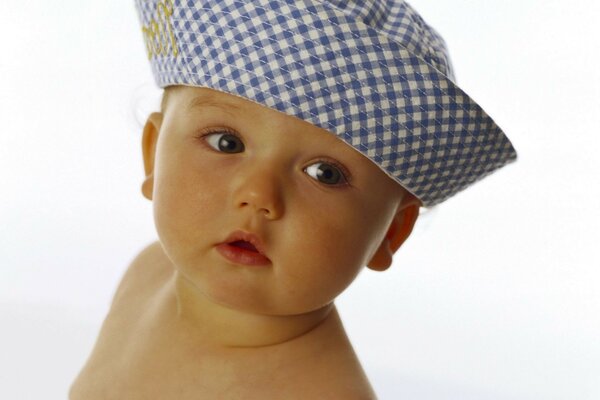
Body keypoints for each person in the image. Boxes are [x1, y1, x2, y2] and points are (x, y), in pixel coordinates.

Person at [70, 0, 517, 398]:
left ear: (392, 232)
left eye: (325, 173)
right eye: (226, 142)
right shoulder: (147, 272)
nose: (259, 196)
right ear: (152, 153)